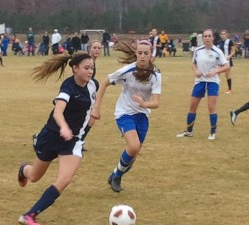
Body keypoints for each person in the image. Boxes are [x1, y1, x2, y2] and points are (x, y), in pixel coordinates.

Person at [17, 51, 98, 225]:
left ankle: (29, 215)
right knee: (34, 176)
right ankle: (23, 169)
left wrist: (95, 112)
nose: (90, 71)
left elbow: (96, 96)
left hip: (72, 141)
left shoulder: (93, 85)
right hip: (51, 137)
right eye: (86, 68)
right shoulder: (68, 87)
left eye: (92, 68)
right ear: (75, 69)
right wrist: (63, 126)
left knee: (64, 179)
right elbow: (58, 111)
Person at [91, 40, 162, 192]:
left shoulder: (156, 75)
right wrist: (96, 108)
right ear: (136, 53)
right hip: (124, 113)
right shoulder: (127, 71)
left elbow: (156, 102)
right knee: (134, 146)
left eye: (146, 53)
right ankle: (116, 177)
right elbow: (104, 83)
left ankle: (115, 175)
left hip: (142, 115)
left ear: (151, 55)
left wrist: (144, 104)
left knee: (133, 156)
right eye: (140, 53)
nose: (142, 56)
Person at [176, 29, 229, 140]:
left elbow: (226, 66)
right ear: (203, 38)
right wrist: (195, 71)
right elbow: (193, 63)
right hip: (199, 81)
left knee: (211, 107)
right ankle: (189, 131)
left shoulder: (217, 51)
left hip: (212, 82)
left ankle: (212, 132)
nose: (207, 38)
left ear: (213, 38)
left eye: (209, 36)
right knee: (192, 106)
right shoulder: (198, 50)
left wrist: (215, 72)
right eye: (205, 36)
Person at [218, 30, 235, 94]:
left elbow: (233, 51)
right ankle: (216, 89)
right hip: (220, 61)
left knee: (227, 75)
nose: (223, 35)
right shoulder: (219, 42)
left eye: (224, 34)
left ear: (226, 35)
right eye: (222, 34)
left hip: (227, 61)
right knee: (217, 74)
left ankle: (229, 89)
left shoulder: (229, 42)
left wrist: (229, 56)